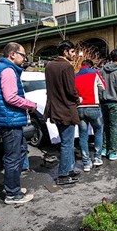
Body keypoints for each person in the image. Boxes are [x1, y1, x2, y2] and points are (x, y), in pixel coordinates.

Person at [0, 42, 36, 204]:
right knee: (13, 157)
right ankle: (13, 193)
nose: (24, 58)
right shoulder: (7, 70)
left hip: (5, 118)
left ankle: (12, 186)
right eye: (23, 55)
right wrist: (30, 105)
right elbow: (11, 97)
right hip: (10, 120)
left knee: (19, 152)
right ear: (12, 54)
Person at [44, 40, 81, 186]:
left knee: (68, 142)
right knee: (67, 143)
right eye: (72, 51)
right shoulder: (66, 66)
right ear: (65, 52)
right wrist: (78, 99)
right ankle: (63, 174)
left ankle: (69, 169)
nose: (74, 54)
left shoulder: (49, 65)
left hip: (55, 109)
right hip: (66, 109)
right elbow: (71, 90)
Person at [75, 59, 106, 172]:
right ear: (91, 66)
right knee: (98, 131)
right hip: (93, 106)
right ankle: (97, 158)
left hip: (79, 108)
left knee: (83, 135)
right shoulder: (94, 73)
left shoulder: (75, 75)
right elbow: (103, 86)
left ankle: (86, 163)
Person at [99, 49, 117, 161]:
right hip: (115, 102)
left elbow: (99, 86)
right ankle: (112, 151)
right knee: (114, 127)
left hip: (103, 102)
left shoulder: (102, 70)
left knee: (106, 126)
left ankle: (104, 149)